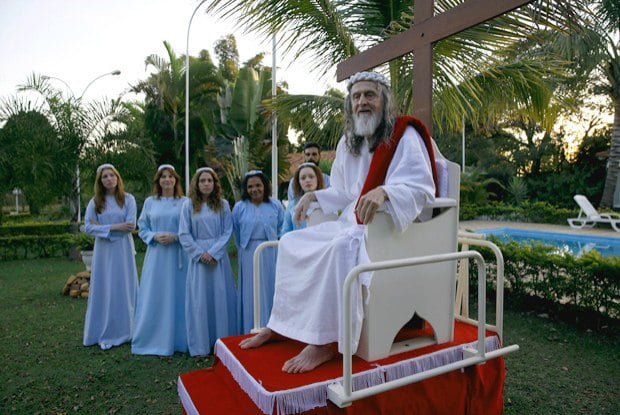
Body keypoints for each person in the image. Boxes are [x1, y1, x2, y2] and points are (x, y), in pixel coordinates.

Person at [239, 71, 437, 373]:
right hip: (351, 223)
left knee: (340, 248)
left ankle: (326, 343)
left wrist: (386, 192)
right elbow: (344, 192)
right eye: (356, 96)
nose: (362, 102)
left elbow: (421, 187)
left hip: (383, 230)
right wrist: (315, 197)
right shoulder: (349, 142)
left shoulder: (403, 136)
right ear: (349, 104)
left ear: (384, 100)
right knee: (291, 242)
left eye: (369, 95)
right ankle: (283, 324)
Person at [179, 167, 237, 356]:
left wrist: (212, 252)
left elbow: (227, 231)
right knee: (200, 300)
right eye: (202, 181)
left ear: (214, 183)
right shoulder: (188, 205)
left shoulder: (223, 204)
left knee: (220, 298)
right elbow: (184, 233)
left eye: (209, 181)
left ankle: (221, 342)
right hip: (199, 260)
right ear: (196, 183)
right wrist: (200, 253)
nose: (206, 184)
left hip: (217, 259)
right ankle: (201, 344)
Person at [131, 164, 188, 356]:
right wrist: (154, 237)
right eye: (163, 177)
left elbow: (190, 228)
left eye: (170, 176)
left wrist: (176, 237)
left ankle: (181, 339)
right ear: (158, 181)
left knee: (179, 294)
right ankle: (154, 337)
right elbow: (143, 227)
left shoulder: (185, 202)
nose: (167, 180)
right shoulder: (150, 202)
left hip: (178, 255)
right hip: (157, 256)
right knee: (156, 294)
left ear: (176, 180)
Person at [83, 163, 138, 350]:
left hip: (123, 250)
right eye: (104, 176)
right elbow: (88, 227)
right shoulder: (95, 202)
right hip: (103, 252)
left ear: (117, 177)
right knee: (105, 287)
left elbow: (130, 225)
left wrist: (102, 227)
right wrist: (115, 226)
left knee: (124, 286)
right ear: (100, 181)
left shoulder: (128, 199)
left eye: (111, 175)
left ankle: (128, 329)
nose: (109, 179)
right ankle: (103, 329)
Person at [232, 170, 284, 334]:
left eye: (258, 185)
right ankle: (251, 326)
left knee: (271, 285)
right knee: (251, 289)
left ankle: (272, 327)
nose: (254, 189)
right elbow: (236, 231)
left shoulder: (275, 205)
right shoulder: (239, 207)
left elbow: (282, 227)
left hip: (270, 252)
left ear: (264, 186)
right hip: (248, 253)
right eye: (250, 186)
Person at [280, 162, 325, 236]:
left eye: (311, 176)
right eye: (303, 178)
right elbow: (285, 232)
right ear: (299, 182)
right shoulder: (292, 204)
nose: (307, 180)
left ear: (318, 179)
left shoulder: (327, 201)